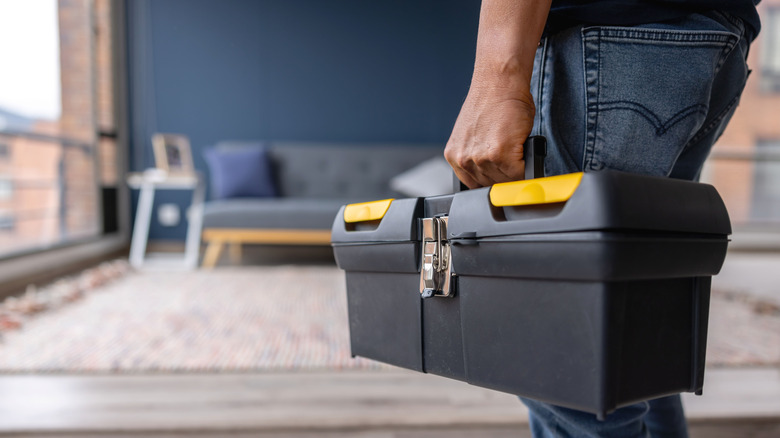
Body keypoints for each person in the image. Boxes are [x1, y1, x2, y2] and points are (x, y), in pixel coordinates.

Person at [444, 0, 760, 437]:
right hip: (709, 38)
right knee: (633, 336)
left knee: (559, 361)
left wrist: (496, 77)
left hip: (610, 45)